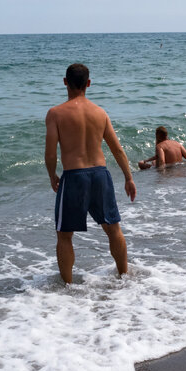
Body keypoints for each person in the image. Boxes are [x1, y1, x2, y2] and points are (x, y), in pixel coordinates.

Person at [45, 63, 137, 282]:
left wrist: (52, 175)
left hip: (74, 176)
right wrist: (129, 178)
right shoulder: (100, 113)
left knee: (65, 235)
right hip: (100, 175)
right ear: (88, 83)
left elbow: (50, 154)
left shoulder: (55, 114)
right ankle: (124, 277)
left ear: (65, 82)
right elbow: (117, 149)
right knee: (113, 229)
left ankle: (67, 286)